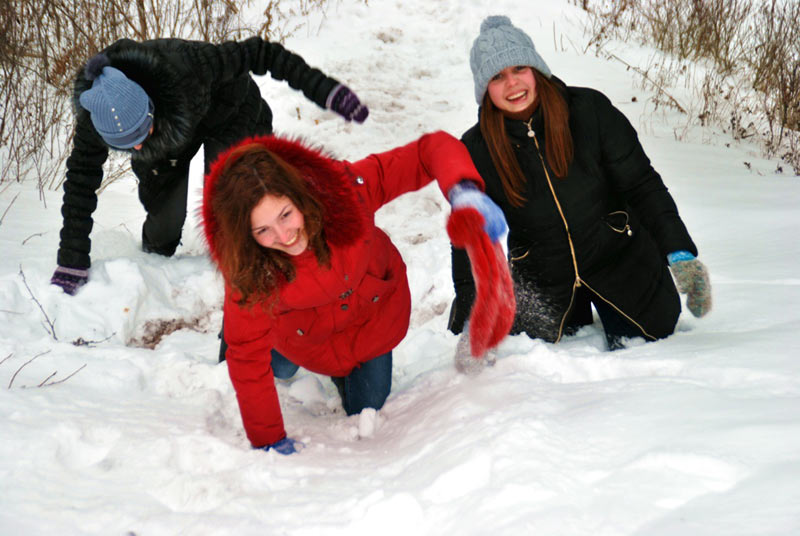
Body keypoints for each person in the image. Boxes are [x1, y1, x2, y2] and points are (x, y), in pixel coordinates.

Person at [201, 132, 508, 454]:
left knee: (367, 408)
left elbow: (427, 152)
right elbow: (248, 356)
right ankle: (278, 354)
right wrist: (268, 439)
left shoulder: (345, 193)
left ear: (300, 195)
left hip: (369, 325)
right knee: (273, 367)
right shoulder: (249, 272)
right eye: (262, 230)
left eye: (285, 215)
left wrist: (463, 190)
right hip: (304, 340)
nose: (283, 235)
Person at [449, 15, 712, 352]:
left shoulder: (589, 111)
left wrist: (678, 251)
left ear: (536, 69)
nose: (512, 84)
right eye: (497, 76)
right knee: (529, 355)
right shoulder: (476, 149)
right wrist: (472, 313)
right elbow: (470, 234)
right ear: (484, 88)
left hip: (618, 258)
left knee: (650, 336)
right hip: (543, 277)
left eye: (519, 69)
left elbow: (642, 185)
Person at [51, 36, 369, 295]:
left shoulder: (189, 66)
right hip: (169, 137)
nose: (136, 147)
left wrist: (324, 89)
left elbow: (263, 53)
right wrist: (71, 259)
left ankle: (249, 290)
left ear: (149, 106)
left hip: (229, 114)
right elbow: (80, 183)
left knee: (231, 211)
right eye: (125, 144)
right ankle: (151, 268)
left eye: (139, 133)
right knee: (164, 223)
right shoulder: (96, 119)